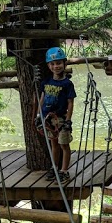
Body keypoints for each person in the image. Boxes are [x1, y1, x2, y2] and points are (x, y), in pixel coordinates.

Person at [35, 46, 76, 183]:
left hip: (60, 119)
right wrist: (38, 115)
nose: (56, 66)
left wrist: (68, 121)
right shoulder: (46, 82)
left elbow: (70, 103)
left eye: (58, 63)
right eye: (52, 64)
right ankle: (55, 167)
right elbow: (42, 98)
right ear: (48, 65)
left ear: (64, 63)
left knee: (64, 144)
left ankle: (64, 171)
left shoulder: (67, 84)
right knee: (54, 144)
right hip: (47, 119)